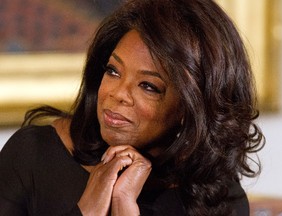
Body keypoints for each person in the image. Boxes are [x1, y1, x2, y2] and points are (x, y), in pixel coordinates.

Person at [0, 0, 265, 215]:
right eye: (113, 71)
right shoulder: (33, 156)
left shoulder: (218, 197)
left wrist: (125, 206)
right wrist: (86, 211)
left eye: (148, 86)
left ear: (191, 108)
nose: (117, 94)